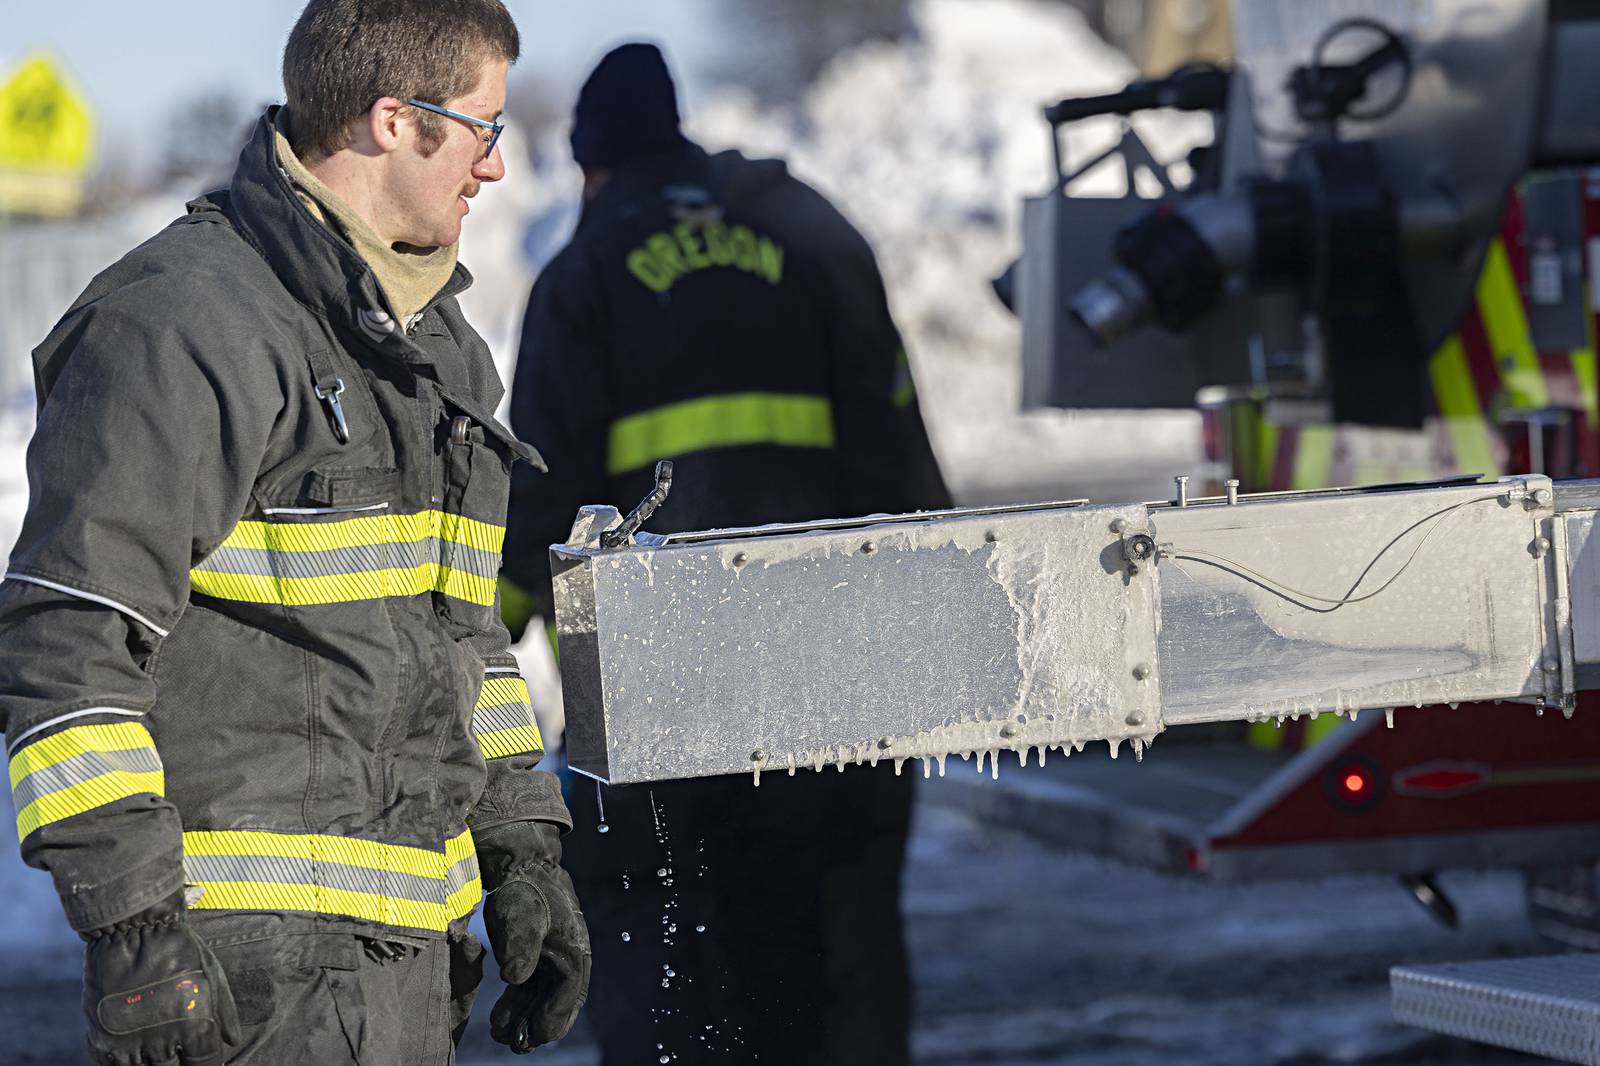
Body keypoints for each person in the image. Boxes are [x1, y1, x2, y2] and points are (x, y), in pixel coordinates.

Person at [0, 2, 589, 1063]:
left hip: (407, 972)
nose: (495, 168)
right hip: (243, 985)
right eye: (481, 129)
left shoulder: (433, 346)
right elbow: (65, 642)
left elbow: (465, 638)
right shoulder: (180, 324)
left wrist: (521, 846)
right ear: (392, 121)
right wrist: (135, 927)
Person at [502, 43, 951, 1066]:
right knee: (842, 956)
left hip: (662, 693)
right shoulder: (812, 233)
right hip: (845, 675)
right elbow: (899, 455)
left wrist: (477, 646)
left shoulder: (587, 271)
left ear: (594, 166)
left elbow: (542, 487)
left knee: (670, 965)